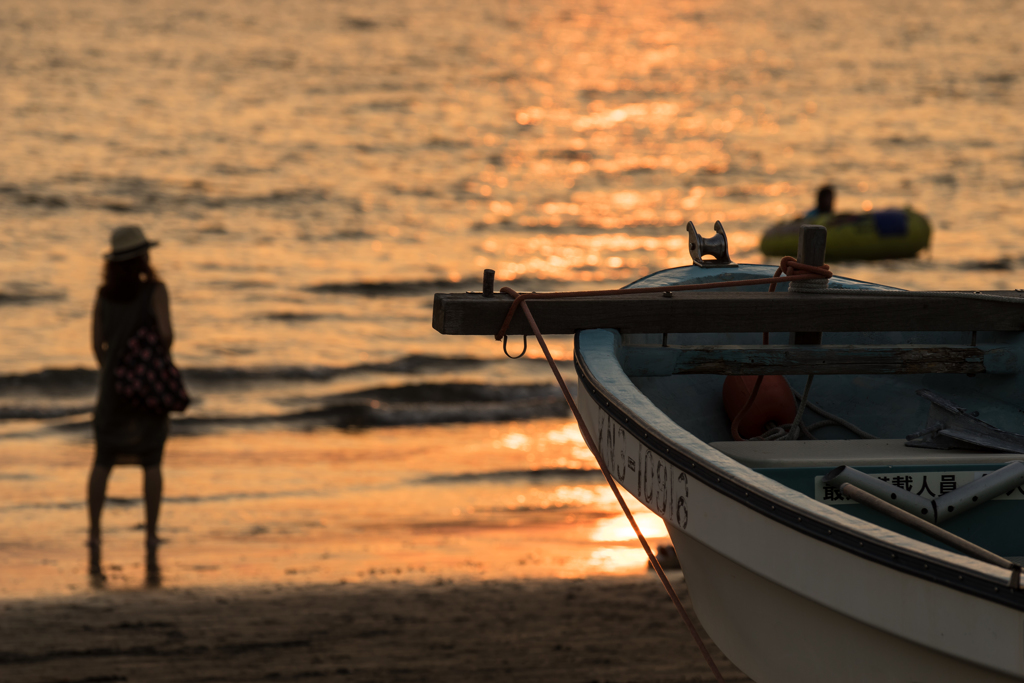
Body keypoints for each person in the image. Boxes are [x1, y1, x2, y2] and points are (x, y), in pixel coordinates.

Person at [89, 225, 173, 583]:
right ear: (142, 257)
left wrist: (115, 368)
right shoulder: (155, 291)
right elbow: (167, 336)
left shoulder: (104, 295)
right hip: (149, 387)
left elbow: (97, 345)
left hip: (112, 388)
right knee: (151, 460)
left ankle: (94, 533)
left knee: (103, 459)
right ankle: (151, 535)